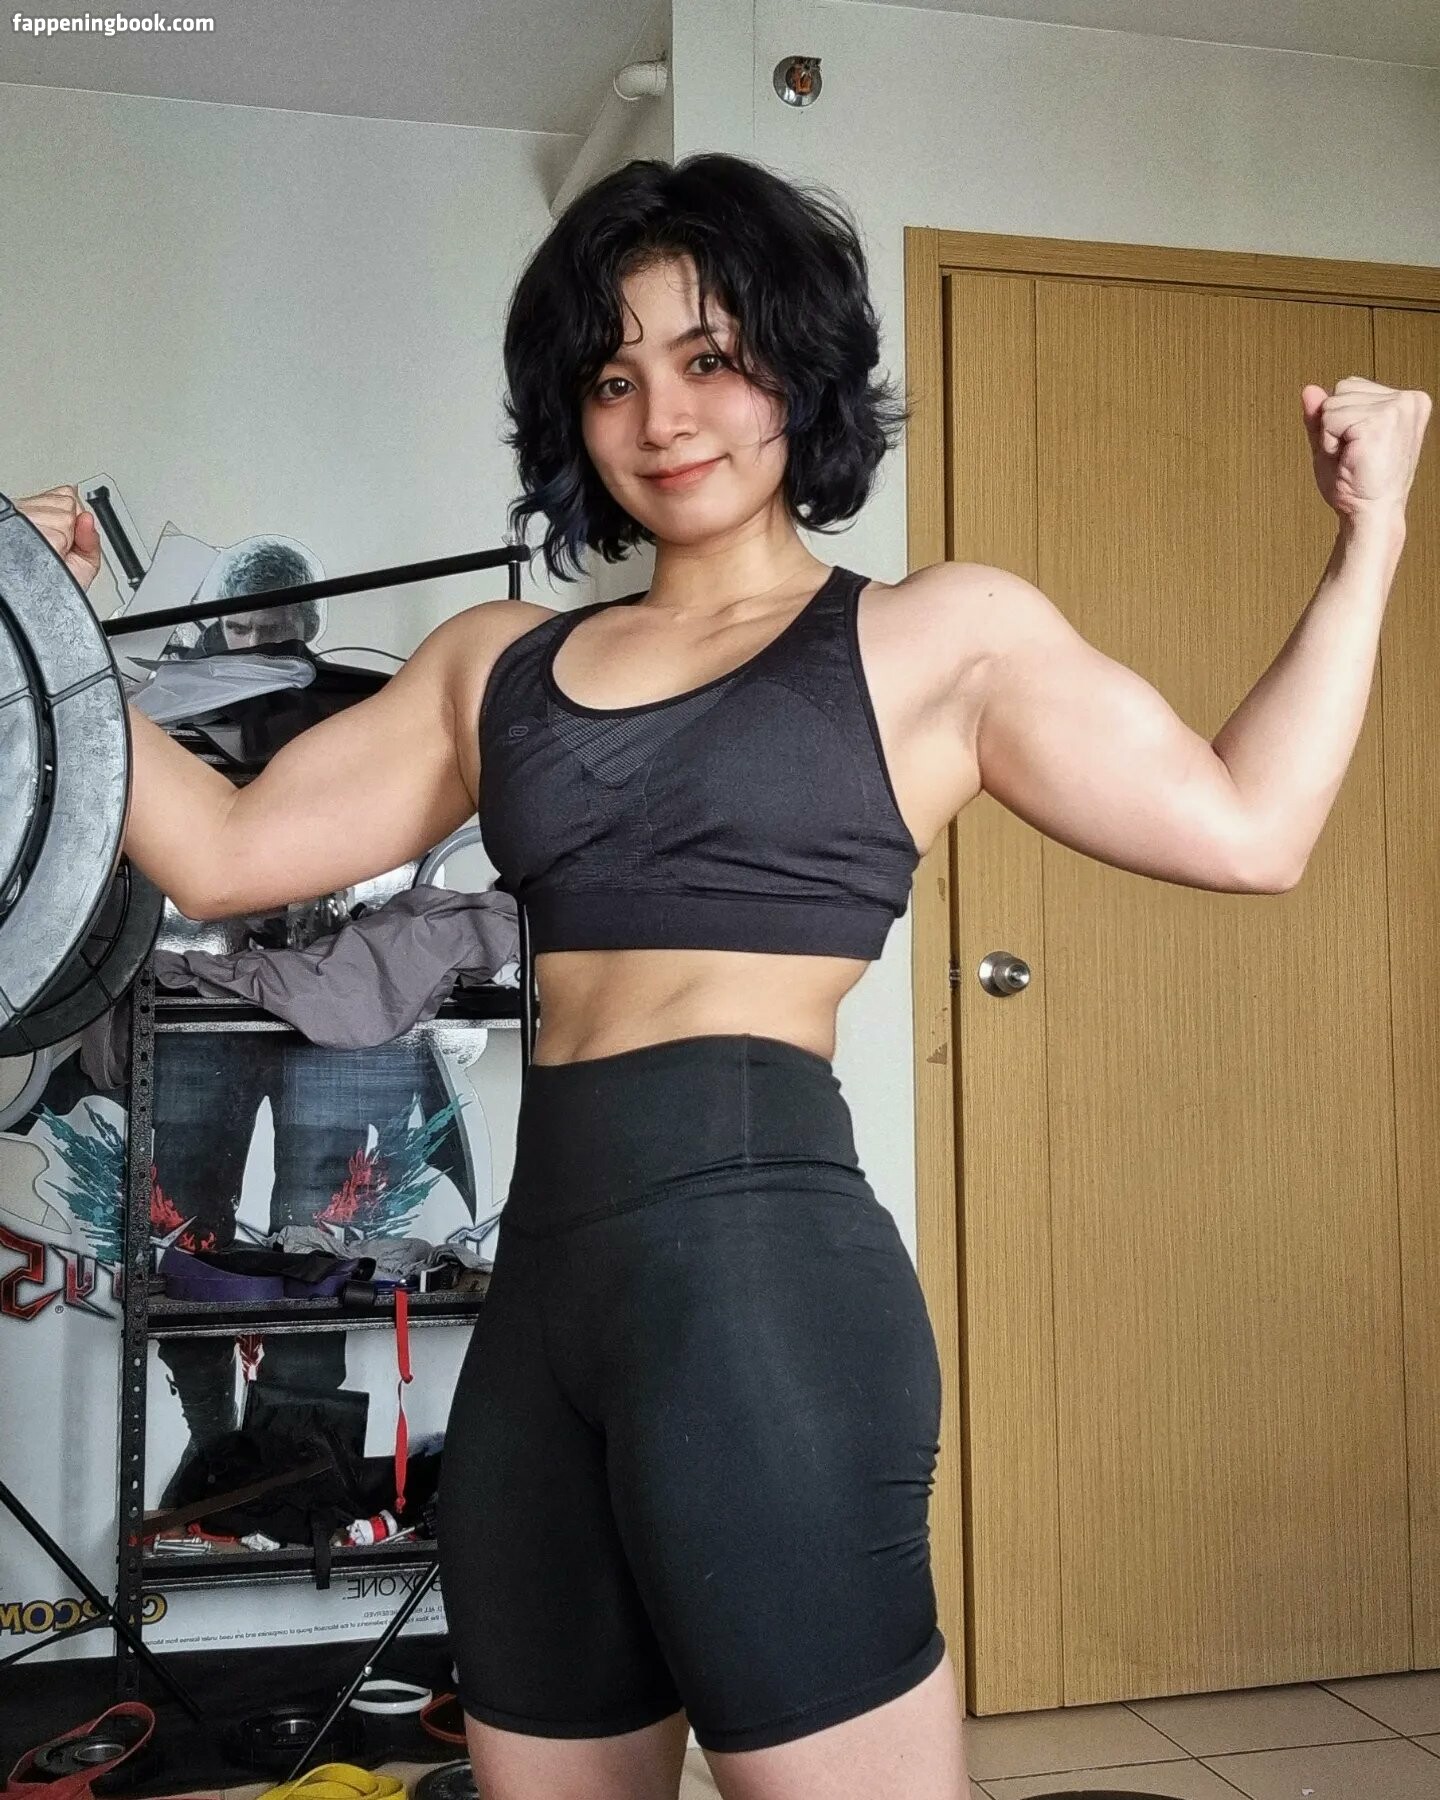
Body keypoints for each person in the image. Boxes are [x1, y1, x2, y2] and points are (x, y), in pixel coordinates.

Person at [19, 151, 1429, 1800]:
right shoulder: (495, 663)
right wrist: (39, 625)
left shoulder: (936, 638)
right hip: (542, 1311)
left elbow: (1253, 828)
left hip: (763, 1296)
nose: (663, 416)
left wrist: (1372, 534)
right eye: (613, 377)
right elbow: (220, 850)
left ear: (796, 368)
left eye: (709, 357)